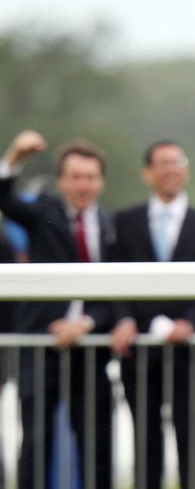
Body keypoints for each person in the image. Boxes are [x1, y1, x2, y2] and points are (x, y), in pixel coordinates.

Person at [109, 140, 195, 489]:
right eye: (162, 163)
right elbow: (114, 278)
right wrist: (125, 320)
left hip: (191, 355)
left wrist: (191, 323)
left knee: (194, 443)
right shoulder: (124, 222)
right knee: (145, 443)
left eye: (177, 162)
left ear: (186, 170)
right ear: (148, 173)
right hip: (140, 355)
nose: (171, 169)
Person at [0, 130, 114, 488]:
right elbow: (6, 200)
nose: (83, 185)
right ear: (62, 181)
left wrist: (86, 323)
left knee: (97, 447)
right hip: (41, 345)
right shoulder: (42, 212)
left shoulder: (114, 225)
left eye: (90, 177)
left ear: (101, 182)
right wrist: (15, 156)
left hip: (92, 350)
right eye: (76, 177)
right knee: (35, 443)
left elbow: (119, 294)